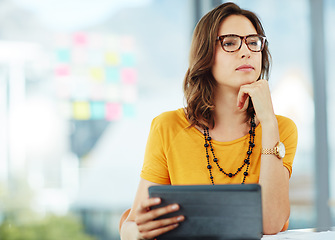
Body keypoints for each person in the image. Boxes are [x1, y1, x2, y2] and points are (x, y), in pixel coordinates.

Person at [120, 2, 298, 239]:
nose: (246, 51)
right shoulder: (168, 127)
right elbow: (132, 226)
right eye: (230, 43)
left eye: (253, 42)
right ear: (205, 54)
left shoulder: (280, 129)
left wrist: (268, 121)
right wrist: (136, 232)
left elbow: (272, 223)